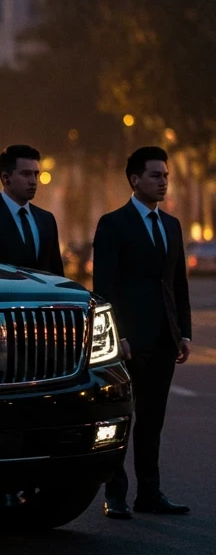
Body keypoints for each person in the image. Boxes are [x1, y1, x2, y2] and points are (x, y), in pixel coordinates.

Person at [93, 146, 191, 519]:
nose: (163, 182)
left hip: (165, 338)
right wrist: (116, 335)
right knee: (121, 419)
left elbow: (177, 283)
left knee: (152, 421)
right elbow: (105, 286)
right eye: (155, 175)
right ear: (135, 180)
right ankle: (115, 494)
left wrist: (184, 332)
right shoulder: (113, 224)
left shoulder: (171, 225)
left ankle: (149, 493)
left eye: (165, 176)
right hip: (129, 342)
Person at [0, 144, 65, 276]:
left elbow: (56, 273)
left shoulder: (46, 219)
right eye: (26, 174)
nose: (33, 181)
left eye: (36, 174)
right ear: (6, 177)